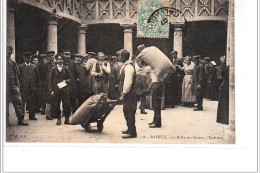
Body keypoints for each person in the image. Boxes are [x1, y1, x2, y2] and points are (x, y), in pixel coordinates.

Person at [6, 46, 28, 126]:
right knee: (5, 103)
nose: (9, 53)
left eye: (10, 51)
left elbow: (17, 74)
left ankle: (20, 120)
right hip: (4, 86)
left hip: (13, 85)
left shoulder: (13, 62)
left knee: (19, 102)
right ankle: (6, 121)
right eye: (7, 51)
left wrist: (17, 85)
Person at [118, 49, 137, 138]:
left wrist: (124, 93)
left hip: (129, 93)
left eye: (119, 55)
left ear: (123, 57)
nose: (118, 57)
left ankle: (132, 132)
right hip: (128, 93)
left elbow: (128, 82)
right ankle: (129, 129)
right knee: (126, 111)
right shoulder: (126, 65)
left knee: (130, 112)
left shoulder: (129, 66)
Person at [49, 53, 72, 125]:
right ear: (56, 60)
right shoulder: (53, 69)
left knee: (66, 104)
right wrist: (51, 90)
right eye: (58, 59)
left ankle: (67, 119)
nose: (59, 61)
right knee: (56, 105)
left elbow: (70, 78)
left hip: (65, 90)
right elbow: (50, 80)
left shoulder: (66, 69)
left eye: (61, 59)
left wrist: (66, 81)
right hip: (56, 90)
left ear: (63, 60)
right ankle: (58, 119)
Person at [19, 52, 39, 120]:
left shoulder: (34, 66)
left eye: (29, 58)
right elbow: (18, 77)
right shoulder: (20, 66)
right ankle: (21, 117)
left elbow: (37, 77)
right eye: (26, 57)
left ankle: (32, 116)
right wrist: (20, 86)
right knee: (22, 103)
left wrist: (36, 85)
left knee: (32, 103)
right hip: (23, 87)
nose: (28, 59)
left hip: (32, 87)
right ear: (24, 58)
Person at [63, 49, 79, 114]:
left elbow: (76, 73)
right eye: (66, 55)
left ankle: (74, 111)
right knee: (65, 99)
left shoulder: (73, 63)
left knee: (73, 98)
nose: (67, 56)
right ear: (63, 55)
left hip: (72, 84)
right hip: (63, 84)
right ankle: (65, 112)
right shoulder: (61, 63)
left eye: (68, 55)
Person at [217, 56, 229, 124]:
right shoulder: (227, 67)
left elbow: (222, 72)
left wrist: (222, 63)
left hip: (225, 87)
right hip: (224, 86)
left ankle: (223, 119)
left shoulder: (226, 67)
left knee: (224, 104)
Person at [45, 51, 56, 120]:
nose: (51, 57)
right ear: (47, 57)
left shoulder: (54, 64)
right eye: (50, 56)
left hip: (54, 84)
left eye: (52, 56)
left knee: (54, 99)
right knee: (49, 99)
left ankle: (53, 113)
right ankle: (48, 114)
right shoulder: (45, 64)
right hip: (48, 84)